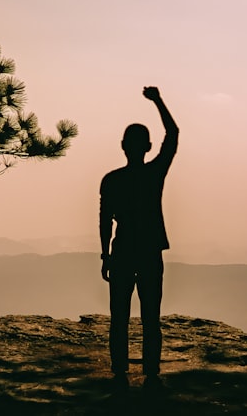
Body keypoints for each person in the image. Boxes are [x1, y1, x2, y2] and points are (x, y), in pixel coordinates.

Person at [100, 86, 178, 394]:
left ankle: (120, 371)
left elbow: (105, 220)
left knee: (119, 316)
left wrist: (105, 255)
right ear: (147, 146)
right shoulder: (153, 174)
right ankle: (151, 373)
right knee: (150, 317)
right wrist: (158, 101)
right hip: (148, 251)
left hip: (121, 251)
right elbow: (173, 135)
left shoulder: (112, 180)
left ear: (123, 146)